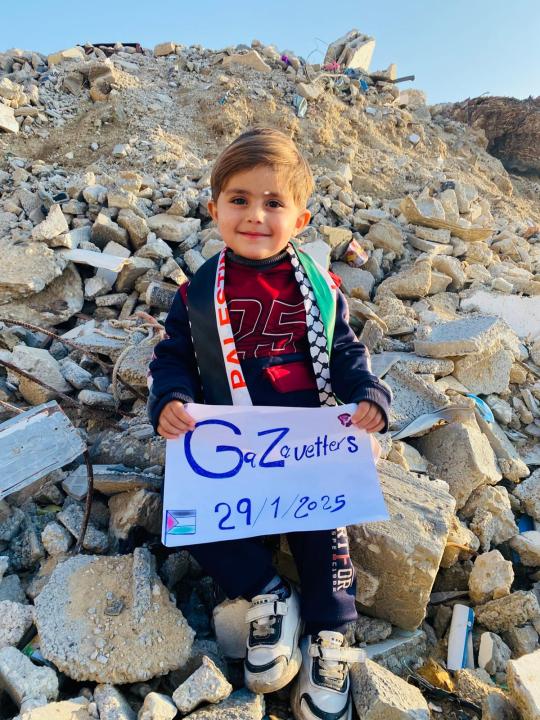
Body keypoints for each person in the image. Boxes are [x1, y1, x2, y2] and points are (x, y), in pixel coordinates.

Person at [148, 127, 391, 720]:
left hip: (306, 446)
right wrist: (170, 399)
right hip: (235, 449)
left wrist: (368, 395)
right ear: (215, 209)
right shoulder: (197, 293)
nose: (255, 215)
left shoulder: (321, 288)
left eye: (273, 202)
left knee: (326, 529)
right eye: (239, 199)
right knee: (190, 515)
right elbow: (174, 357)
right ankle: (269, 593)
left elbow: (345, 352)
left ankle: (329, 635)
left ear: (300, 219)